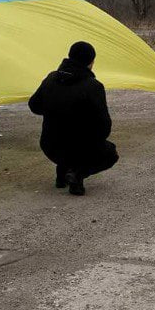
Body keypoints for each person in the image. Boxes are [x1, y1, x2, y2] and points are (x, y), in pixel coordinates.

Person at [28, 41, 118, 195]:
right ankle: (77, 173)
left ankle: (62, 172)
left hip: (49, 145)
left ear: (69, 56)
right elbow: (104, 126)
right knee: (110, 153)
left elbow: (34, 106)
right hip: (79, 149)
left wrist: (55, 109)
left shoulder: (51, 78)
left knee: (67, 145)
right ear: (91, 62)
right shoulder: (93, 86)